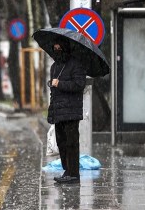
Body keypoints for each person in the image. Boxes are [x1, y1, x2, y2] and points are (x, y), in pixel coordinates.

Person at [47, 38, 87, 184]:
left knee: (71, 143)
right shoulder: (54, 67)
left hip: (71, 111)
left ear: (65, 49)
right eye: (55, 49)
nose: (57, 51)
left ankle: (74, 173)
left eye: (59, 48)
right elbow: (54, 90)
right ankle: (67, 170)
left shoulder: (76, 64)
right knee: (61, 143)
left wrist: (60, 84)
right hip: (58, 111)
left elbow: (79, 84)